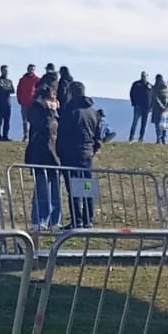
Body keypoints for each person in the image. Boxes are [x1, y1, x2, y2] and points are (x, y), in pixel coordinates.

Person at [57, 78, 103, 227]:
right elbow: (98, 136)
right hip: (88, 154)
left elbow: (62, 134)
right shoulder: (93, 112)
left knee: (74, 187)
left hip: (71, 154)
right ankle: (88, 219)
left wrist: (60, 153)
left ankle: (76, 219)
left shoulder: (70, 111)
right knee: (87, 186)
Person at [24, 84, 60, 233]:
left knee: (55, 190)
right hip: (40, 155)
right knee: (42, 189)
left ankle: (54, 221)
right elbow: (44, 127)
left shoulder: (57, 113)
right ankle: (39, 220)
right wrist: (48, 111)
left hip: (55, 157)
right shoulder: (35, 110)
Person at [0, 65, 14, 143]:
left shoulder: (9, 81)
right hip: (0, 103)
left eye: (7, 71)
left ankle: (5, 136)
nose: (6, 72)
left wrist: (4, 89)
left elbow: (12, 90)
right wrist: (5, 90)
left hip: (8, 103)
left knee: (7, 120)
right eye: (4, 70)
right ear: (1, 71)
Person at [129, 71, 151, 141]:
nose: (143, 77)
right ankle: (131, 137)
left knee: (144, 124)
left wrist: (151, 107)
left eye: (145, 76)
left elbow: (153, 97)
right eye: (142, 76)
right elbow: (131, 94)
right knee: (135, 122)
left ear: (147, 77)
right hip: (138, 107)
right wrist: (134, 103)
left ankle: (141, 138)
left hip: (147, 108)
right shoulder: (136, 84)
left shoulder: (150, 86)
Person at [17, 64, 40, 132]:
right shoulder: (22, 79)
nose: (31, 70)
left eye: (33, 69)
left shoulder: (37, 79)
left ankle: (33, 135)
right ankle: (25, 135)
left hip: (33, 103)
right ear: (28, 69)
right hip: (24, 102)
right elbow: (19, 90)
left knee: (33, 120)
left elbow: (40, 90)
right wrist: (19, 99)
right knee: (25, 120)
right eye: (30, 69)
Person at [151, 74, 168, 143]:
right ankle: (164, 139)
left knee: (158, 124)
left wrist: (162, 107)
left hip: (157, 109)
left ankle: (159, 139)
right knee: (165, 125)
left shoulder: (156, 88)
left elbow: (156, 98)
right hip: (166, 110)